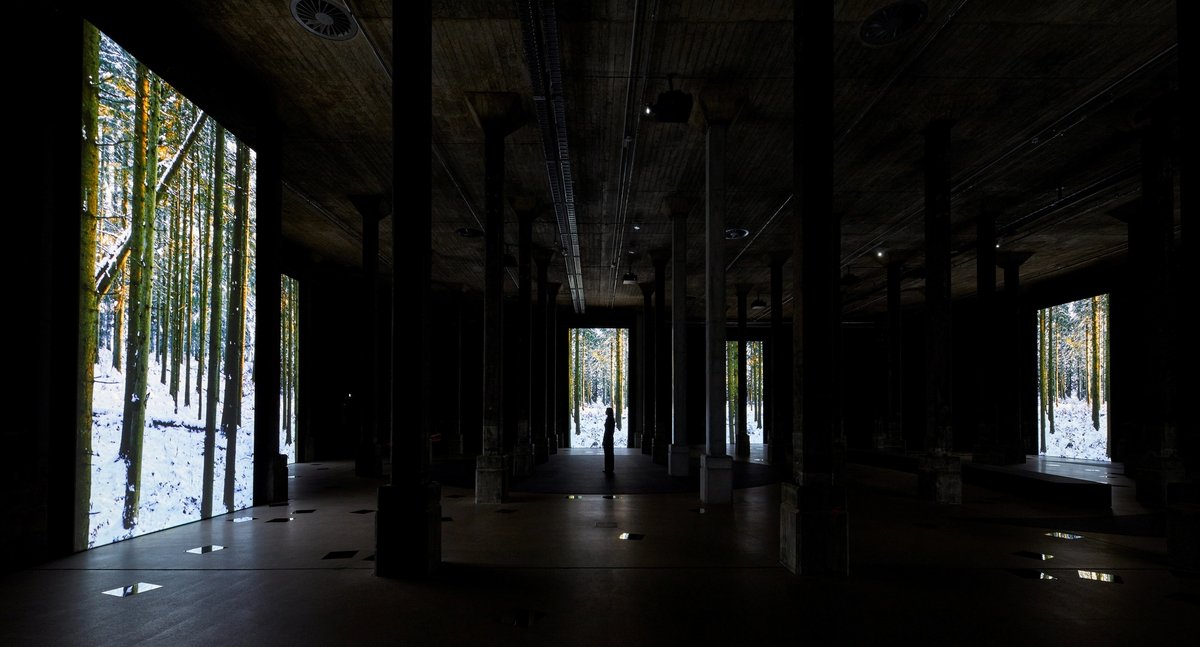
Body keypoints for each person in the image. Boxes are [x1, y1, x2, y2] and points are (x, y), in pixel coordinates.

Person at [602, 406, 615, 475]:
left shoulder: (609, 419)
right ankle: (609, 468)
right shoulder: (611, 419)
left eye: (606, 410)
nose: (605, 411)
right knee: (609, 454)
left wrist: (604, 440)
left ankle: (608, 468)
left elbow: (607, 431)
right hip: (610, 438)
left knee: (607, 454)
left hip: (608, 438)